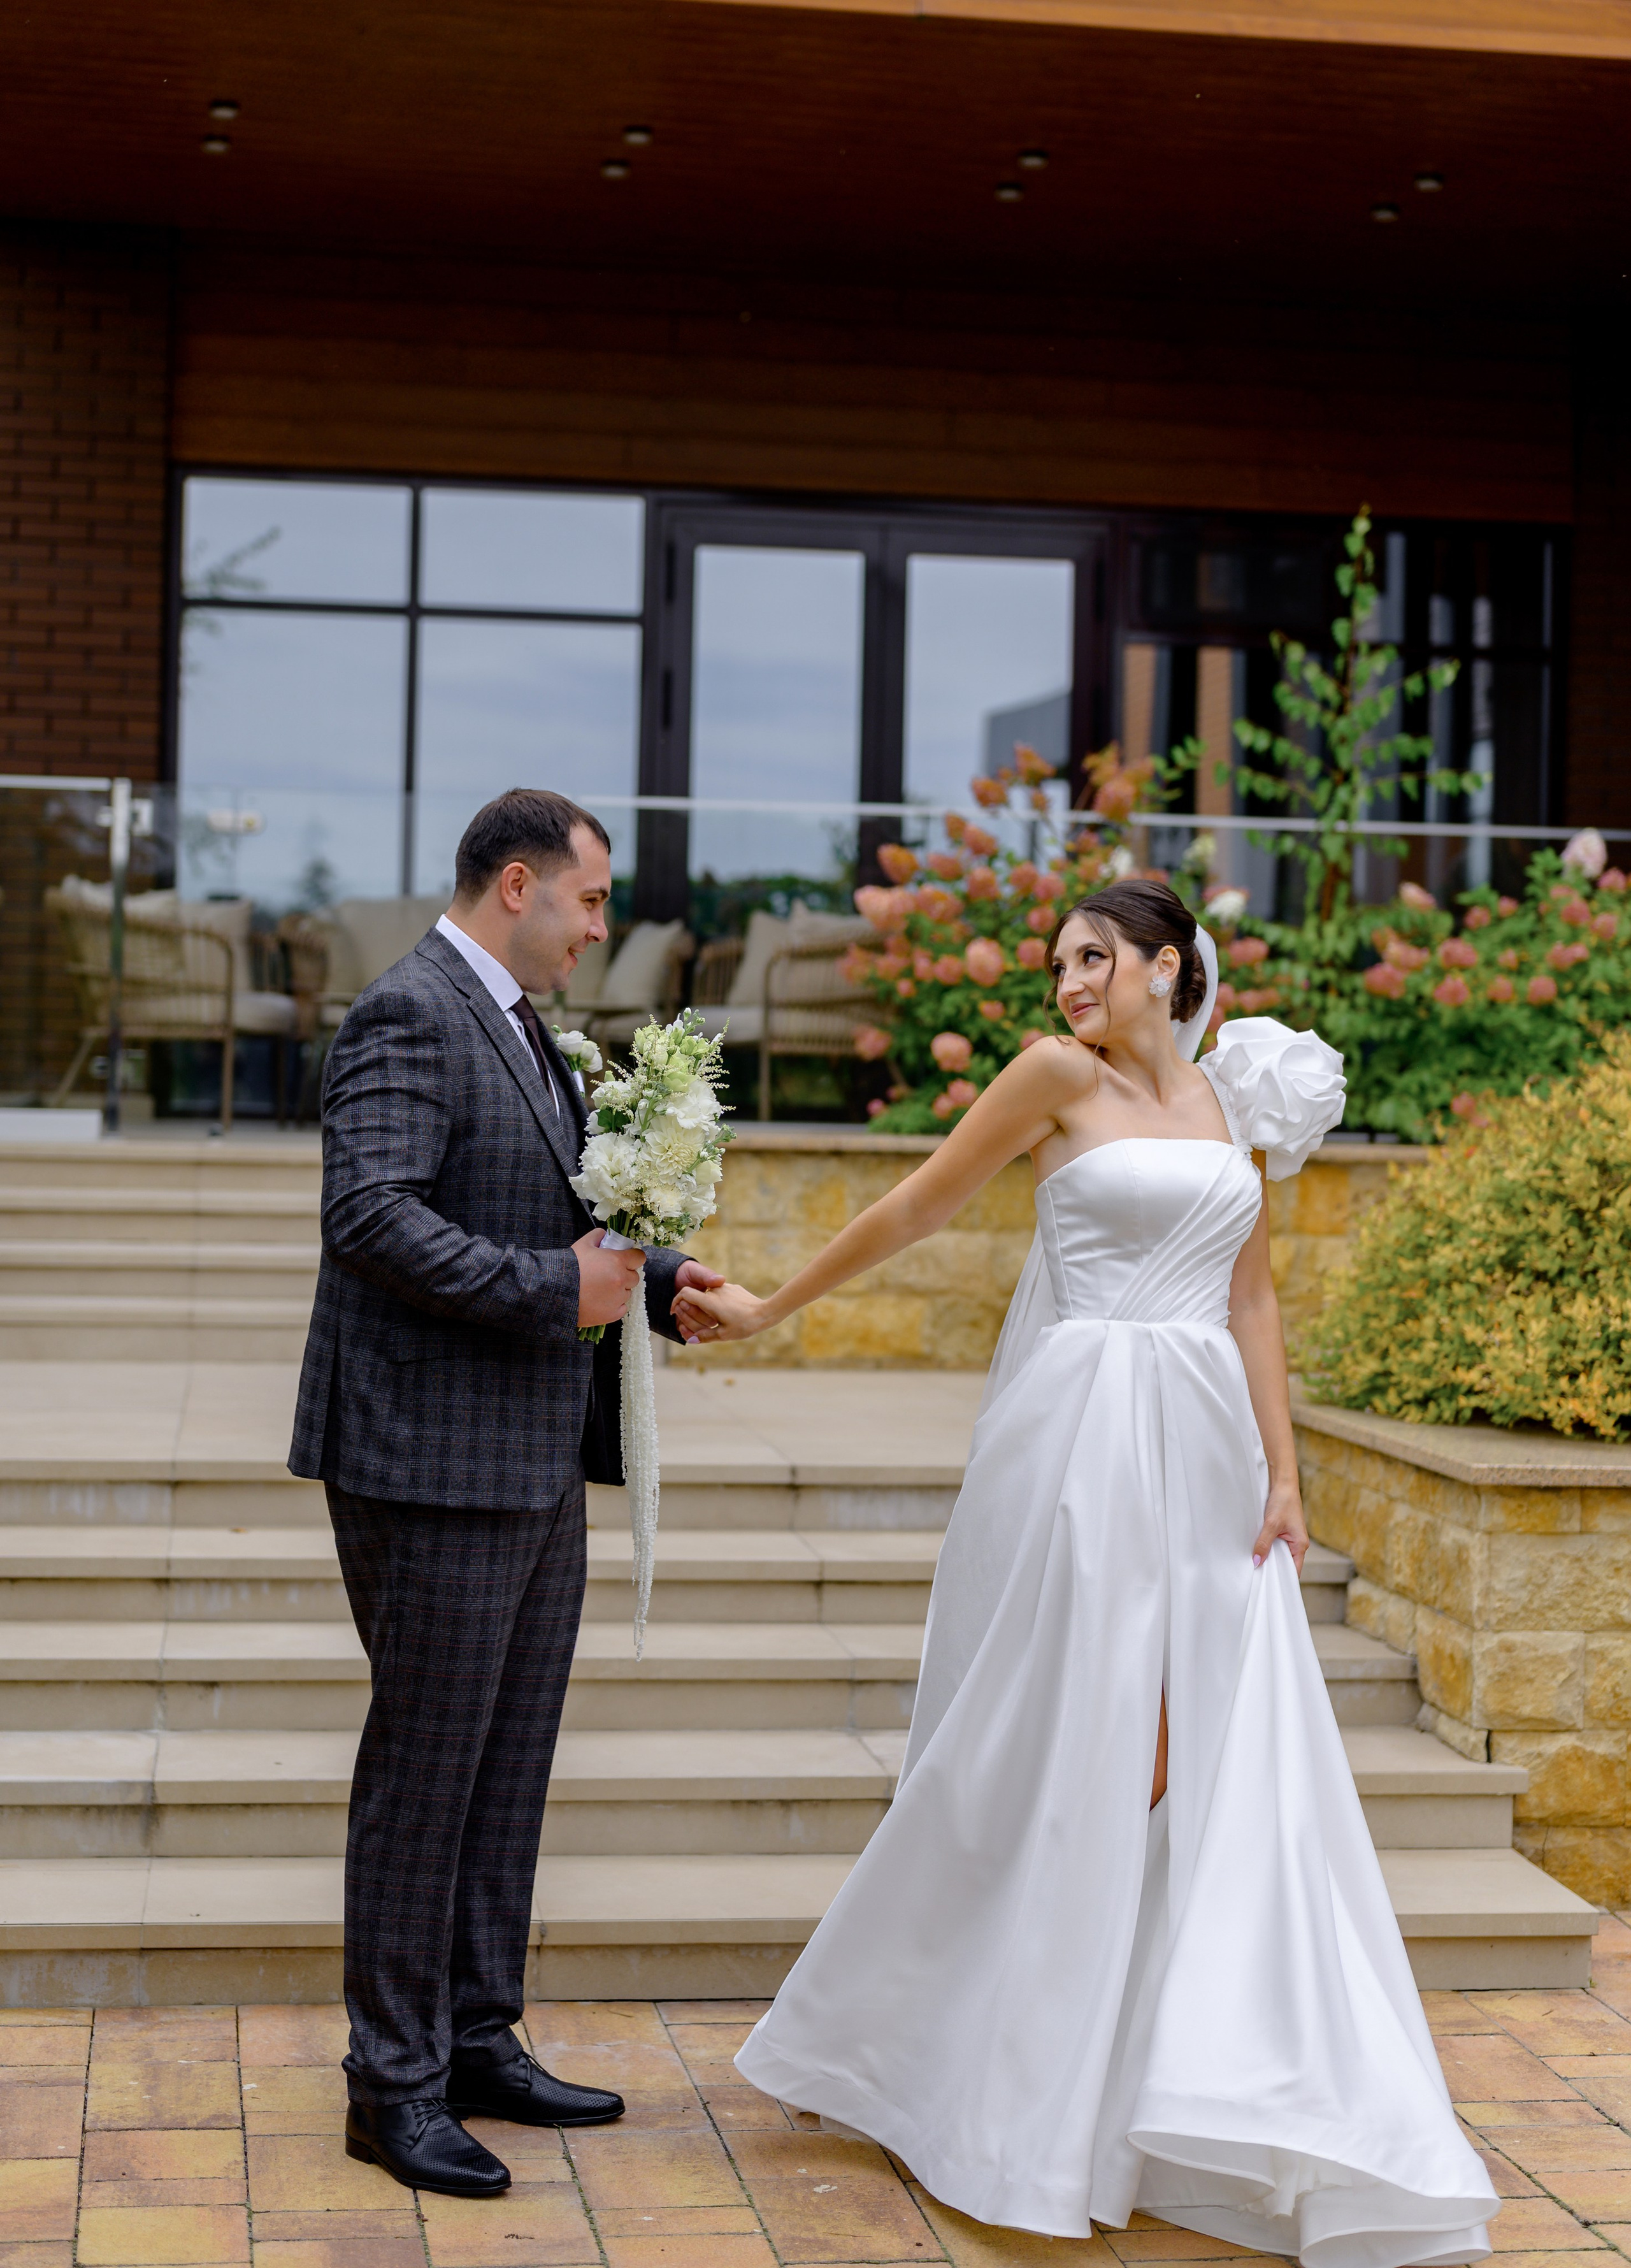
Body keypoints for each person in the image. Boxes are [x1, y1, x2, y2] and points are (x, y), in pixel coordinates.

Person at [673, 878, 1497, 2267]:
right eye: (1058, 961)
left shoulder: (1230, 1102)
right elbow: (918, 1208)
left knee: (1204, 1759)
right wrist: (767, 1306)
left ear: (1166, 968)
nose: (1065, 982)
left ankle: (1156, 2078)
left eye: (1093, 959)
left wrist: (1286, 1476)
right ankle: (957, 2061)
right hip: (1082, 1443)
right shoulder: (1054, 1076)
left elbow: (1248, 1297)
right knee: (1066, 1741)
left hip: (1206, 1454)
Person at [289, 787, 724, 2200]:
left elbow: (551, 1207)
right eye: (593, 902)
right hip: (428, 1461)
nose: (601, 929)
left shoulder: (527, 1028)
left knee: (506, 1768)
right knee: (425, 1779)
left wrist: (655, 1285)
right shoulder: (409, 1012)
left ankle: (477, 2037)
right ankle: (392, 2085)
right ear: (521, 884)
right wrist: (561, 1289)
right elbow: (369, 1213)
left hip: (531, 1458)